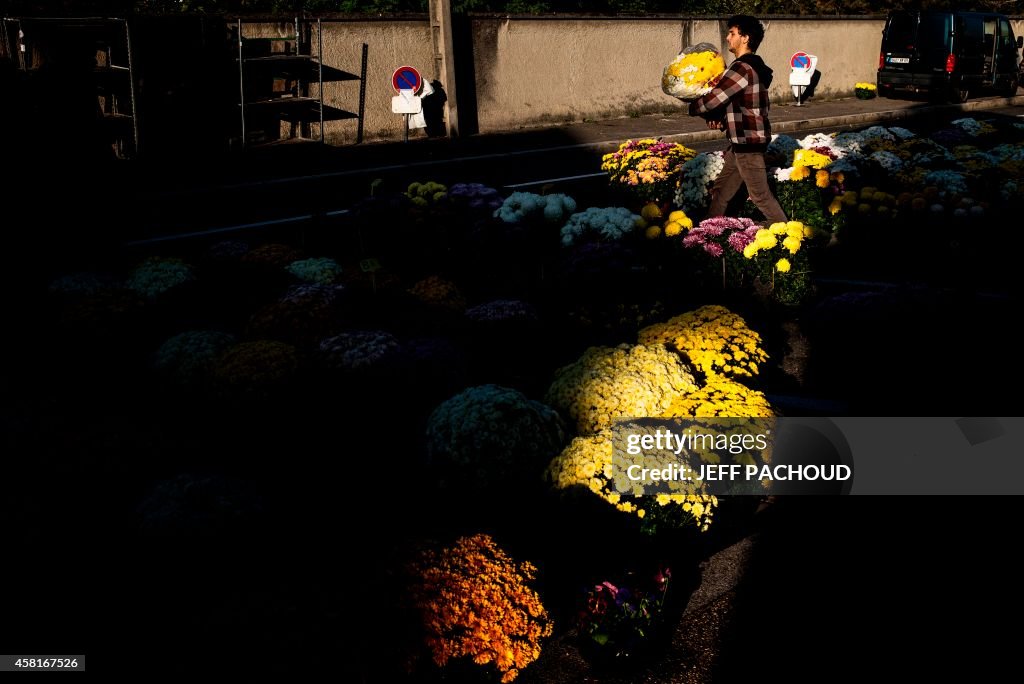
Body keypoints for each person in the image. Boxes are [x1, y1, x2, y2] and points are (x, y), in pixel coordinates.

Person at [688, 15, 787, 225]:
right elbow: (740, 104)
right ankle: (709, 231)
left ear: (745, 38)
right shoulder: (752, 67)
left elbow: (715, 99)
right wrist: (722, 119)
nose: (727, 38)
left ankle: (783, 231)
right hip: (740, 142)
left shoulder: (742, 68)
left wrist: (693, 105)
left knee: (760, 196)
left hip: (747, 143)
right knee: (721, 190)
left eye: (732, 33)